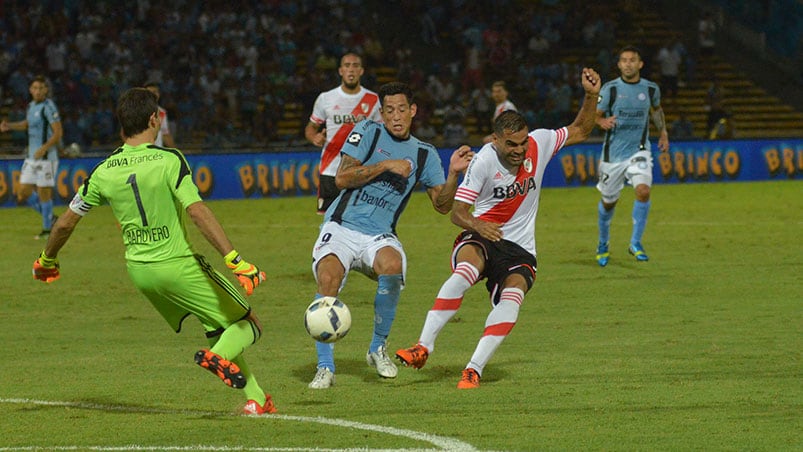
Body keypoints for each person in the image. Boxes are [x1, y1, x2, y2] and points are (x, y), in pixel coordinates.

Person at [30, 88, 276, 415]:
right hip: (179, 265)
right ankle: (220, 357)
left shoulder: (103, 171)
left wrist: (47, 260)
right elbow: (197, 211)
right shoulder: (169, 159)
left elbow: (64, 224)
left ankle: (257, 399)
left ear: (121, 127)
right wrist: (236, 261)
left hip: (141, 273)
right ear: (153, 119)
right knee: (250, 324)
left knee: (219, 325)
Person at [395, 68, 602, 389]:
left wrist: (590, 96)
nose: (519, 150)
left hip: (520, 249)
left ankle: (473, 369)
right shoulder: (484, 162)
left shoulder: (540, 143)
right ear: (496, 141)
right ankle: (423, 347)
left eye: (522, 142)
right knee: (464, 272)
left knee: (513, 296)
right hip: (481, 236)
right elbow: (457, 213)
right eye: (511, 145)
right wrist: (480, 225)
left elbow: (581, 129)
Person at [307, 81, 473, 389]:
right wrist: (385, 165)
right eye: (389, 111)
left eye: (401, 110)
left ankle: (376, 348)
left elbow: (442, 205)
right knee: (328, 279)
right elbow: (341, 179)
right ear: (381, 113)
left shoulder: (425, 154)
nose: (395, 117)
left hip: (379, 234)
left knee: (392, 265)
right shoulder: (368, 133)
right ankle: (325, 367)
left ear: (413, 111)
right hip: (341, 226)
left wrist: (453, 175)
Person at [594, 46, 670, 266]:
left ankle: (635, 243)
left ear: (640, 64)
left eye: (632, 60)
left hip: (639, 150)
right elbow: (594, 116)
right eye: (624, 60)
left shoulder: (651, 89)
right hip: (613, 156)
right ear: (619, 65)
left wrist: (663, 132)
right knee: (609, 203)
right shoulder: (611, 89)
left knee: (643, 191)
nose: (628, 64)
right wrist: (602, 122)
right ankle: (603, 243)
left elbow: (656, 110)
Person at [305, 52, 382, 214]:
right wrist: (315, 137)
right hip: (330, 169)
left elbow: (382, 134)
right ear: (341, 71)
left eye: (355, 66)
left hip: (360, 170)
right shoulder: (326, 98)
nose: (351, 70)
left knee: (361, 221)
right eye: (347, 66)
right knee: (328, 223)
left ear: (361, 71)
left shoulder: (373, 100)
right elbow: (310, 128)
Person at [0, 75, 62, 240]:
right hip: (32, 157)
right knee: (23, 192)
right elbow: (27, 124)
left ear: (46, 90)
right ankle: (50, 218)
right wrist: (10, 126)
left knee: (44, 193)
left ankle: (47, 230)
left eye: (41, 88)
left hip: (47, 158)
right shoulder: (31, 106)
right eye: (35, 88)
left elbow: (58, 133)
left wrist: (44, 148)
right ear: (30, 90)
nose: (38, 91)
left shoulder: (49, 107)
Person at [144, 81, 176, 148]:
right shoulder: (135, 111)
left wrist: (177, 153)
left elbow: (165, 135)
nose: (153, 94)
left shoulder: (162, 112)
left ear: (159, 94)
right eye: (149, 92)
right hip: (141, 153)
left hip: (157, 153)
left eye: (155, 92)